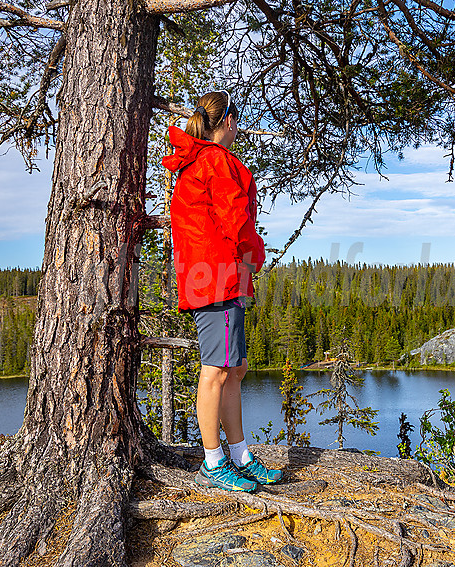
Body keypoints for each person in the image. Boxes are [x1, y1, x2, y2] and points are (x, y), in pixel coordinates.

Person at [162, 90, 282, 492]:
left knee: (236, 368)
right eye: (237, 117)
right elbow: (237, 219)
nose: (239, 124)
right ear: (227, 120)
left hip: (215, 275)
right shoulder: (215, 162)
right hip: (215, 276)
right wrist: (255, 256)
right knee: (215, 371)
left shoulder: (198, 161)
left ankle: (240, 454)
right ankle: (213, 462)